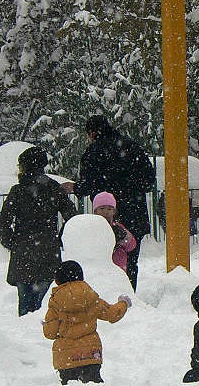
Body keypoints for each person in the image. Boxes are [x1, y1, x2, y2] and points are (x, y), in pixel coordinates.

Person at [62, 115, 155, 291]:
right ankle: (129, 295)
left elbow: (89, 184)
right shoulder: (132, 147)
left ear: (92, 133)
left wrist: (75, 187)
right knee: (131, 261)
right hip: (135, 214)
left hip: (106, 216)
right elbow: (149, 180)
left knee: (106, 261)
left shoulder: (93, 152)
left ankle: (109, 297)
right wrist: (129, 189)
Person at [0, 146, 77, 316]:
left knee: (25, 305)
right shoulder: (54, 188)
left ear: (25, 166)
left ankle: (26, 334)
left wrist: (13, 242)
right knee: (44, 304)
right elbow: (72, 217)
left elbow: (3, 223)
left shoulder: (17, 191)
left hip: (23, 254)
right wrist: (59, 238)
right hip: (48, 252)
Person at [42, 260, 131, 385]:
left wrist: (46, 325)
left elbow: (50, 333)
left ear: (58, 280)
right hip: (91, 355)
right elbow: (112, 314)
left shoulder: (56, 302)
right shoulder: (91, 298)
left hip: (66, 357)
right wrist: (123, 303)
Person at [92, 191, 138, 275]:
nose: (106, 212)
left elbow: (132, 245)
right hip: (97, 270)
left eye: (109, 209)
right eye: (102, 208)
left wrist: (124, 237)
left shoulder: (118, 228)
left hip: (118, 270)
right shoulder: (91, 227)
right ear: (95, 211)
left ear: (114, 212)